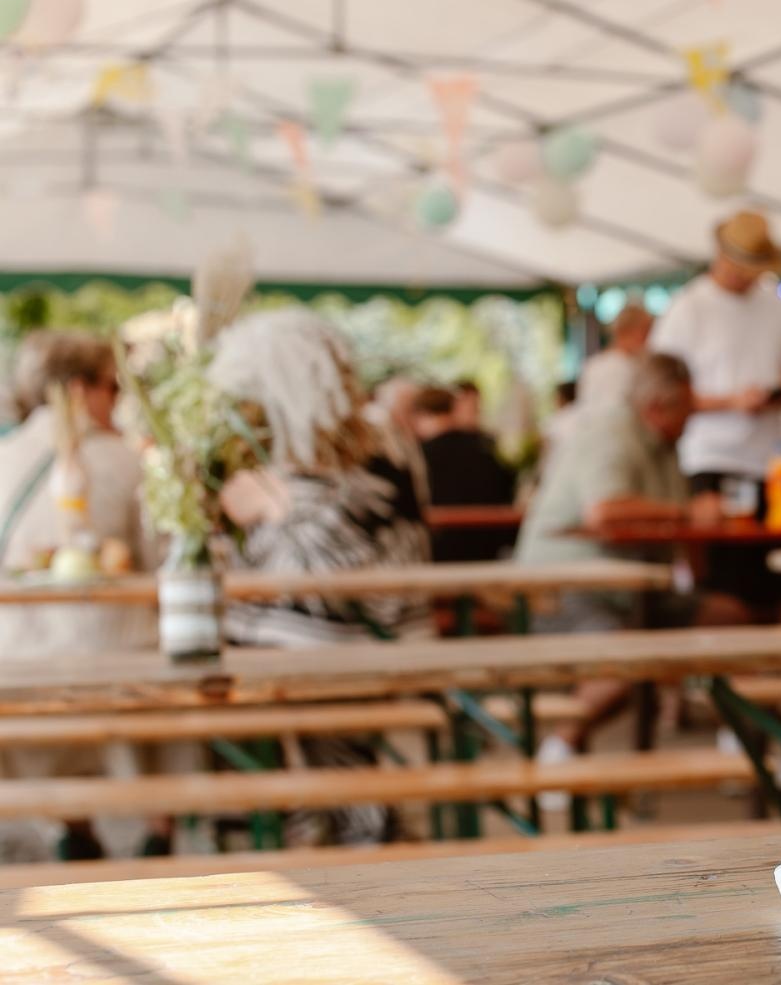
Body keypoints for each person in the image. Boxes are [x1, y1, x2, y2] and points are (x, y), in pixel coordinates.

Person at [211, 309, 432, 845]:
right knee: (317, 755)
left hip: (341, 645)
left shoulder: (329, 456)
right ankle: (340, 835)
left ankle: (344, 844)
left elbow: (331, 570)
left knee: (307, 751)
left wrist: (266, 504)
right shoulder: (378, 442)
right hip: (370, 640)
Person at [514, 354, 705, 802]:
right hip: (565, 582)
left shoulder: (661, 441)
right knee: (628, 661)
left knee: (729, 618)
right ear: (660, 406)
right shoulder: (612, 431)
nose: (693, 418)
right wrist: (685, 512)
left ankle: (742, 744)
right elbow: (604, 511)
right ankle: (558, 750)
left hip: (631, 583)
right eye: (687, 409)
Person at [0, 331, 158, 862]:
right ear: (79, 389)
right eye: (112, 387)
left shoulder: (3, 454)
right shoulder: (125, 462)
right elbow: (161, 560)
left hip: (16, 663)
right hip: (113, 662)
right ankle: (157, 832)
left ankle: (73, 825)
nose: (116, 400)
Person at [649, 209, 781, 615]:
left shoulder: (774, 304)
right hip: (711, 457)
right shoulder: (689, 307)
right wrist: (732, 402)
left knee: (775, 580)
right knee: (724, 583)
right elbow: (663, 393)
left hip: (771, 460)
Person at [413, 386, 518, 562]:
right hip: (488, 551)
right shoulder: (485, 449)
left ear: (421, 415)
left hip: (439, 554)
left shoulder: (419, 457)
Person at [578, 303, 653, 409]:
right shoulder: (626, 368)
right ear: (630, 331)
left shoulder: (593, 364)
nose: (649, 341)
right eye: (646, 332)